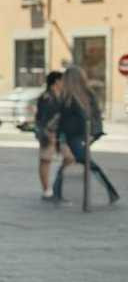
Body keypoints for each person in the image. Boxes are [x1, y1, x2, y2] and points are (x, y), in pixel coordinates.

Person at [52, 65, 119, 205]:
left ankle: (57, 192)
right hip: (73, 138)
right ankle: (57, 192)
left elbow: (95, 116)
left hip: (81, 137)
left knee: (81, 163)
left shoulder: (86, 95)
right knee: (80, 163)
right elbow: (62, 122)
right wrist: (62, 142)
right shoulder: (67, 97)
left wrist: (93, 135)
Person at [35, 70, 73, 200]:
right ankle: (46, 191)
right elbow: (42, 118)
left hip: (61, 134)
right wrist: (45, 134)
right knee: (45, 160)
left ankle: (57, 182)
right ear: (56, 81)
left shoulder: (62, 96)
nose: (64, 83)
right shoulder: (46, 97)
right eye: (62, 80)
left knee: (70, 157)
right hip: (48, 133)